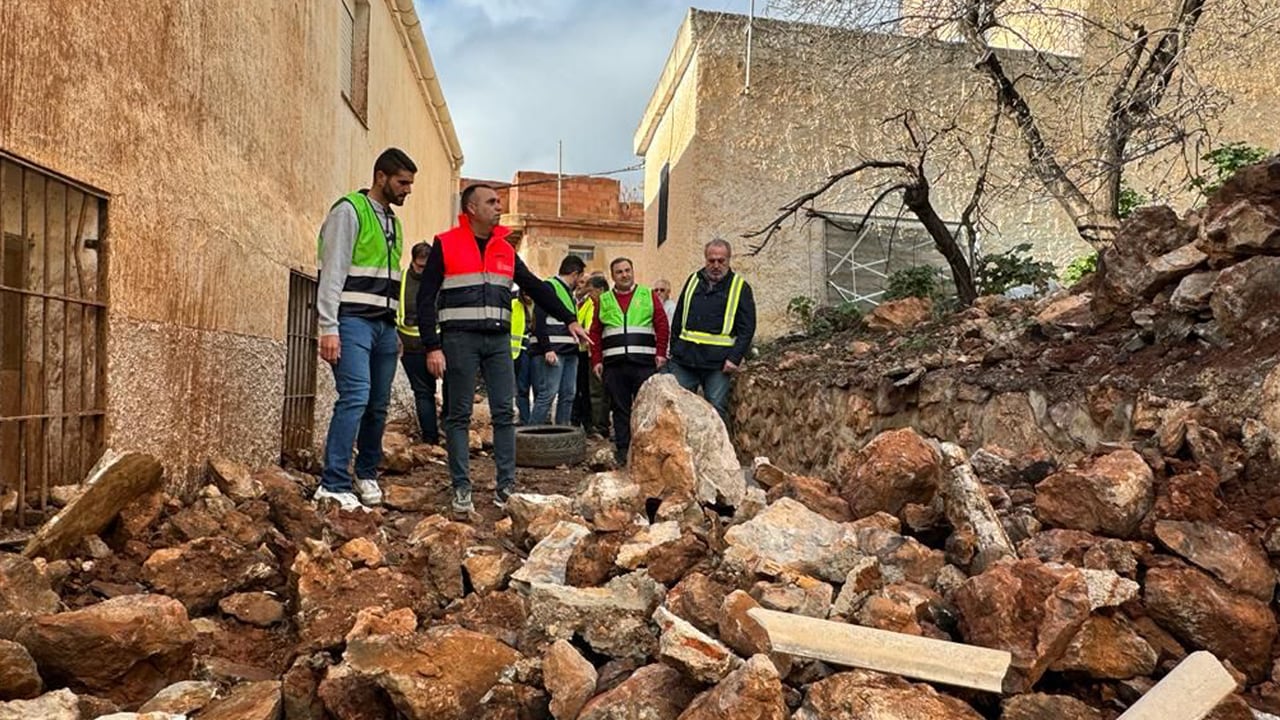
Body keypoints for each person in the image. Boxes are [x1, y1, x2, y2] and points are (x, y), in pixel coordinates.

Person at [416, 184, 590, 515]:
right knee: (458, 414)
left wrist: (569, 319)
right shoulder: (446, 244)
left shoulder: (505, 249)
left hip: (497, 342)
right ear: (471, 208)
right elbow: (425, 298)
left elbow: (535, 287)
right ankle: (461, 488)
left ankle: (506, 486)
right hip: (458, 339)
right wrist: (432, 346)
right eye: (492, 202)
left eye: (499, 202)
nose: (499, 207)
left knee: (504, 413)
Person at [315, 148, 416, 511]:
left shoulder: (393, 222)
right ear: (381, 177)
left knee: (378, 404)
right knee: (355, 396)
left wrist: (397, 328)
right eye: (402, 182)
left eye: (410, 184)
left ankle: (366, 472)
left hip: (384, 327)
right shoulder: (349, 212)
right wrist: (328, 326)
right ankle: (333, 484)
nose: (407, 190)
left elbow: (393, 280)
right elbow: (332, 271)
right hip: (352, 321)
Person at [669, 238, 756, 428]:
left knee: (716, 409)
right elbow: (678, 318)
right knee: (679, 408)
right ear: (705, 260)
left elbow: (747, 328)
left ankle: (719, 455)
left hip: (718, 364)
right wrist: (674, 348)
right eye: (711, 260)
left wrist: (734, 358)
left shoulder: (740, 287)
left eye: (721, 260)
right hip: (685, 360)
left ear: (729, 260)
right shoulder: (693, 280)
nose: (716, 265)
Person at [590, 258, 669, 463]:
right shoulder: (604, 300)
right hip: (614, 365)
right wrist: (596, 360)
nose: (624, 275)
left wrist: (660, 352)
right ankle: (624, 451)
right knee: (620, 410)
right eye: (619, 272)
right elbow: (595, 333)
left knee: (646, 409)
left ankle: (647, 452)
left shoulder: (647, 295)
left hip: (644, 363)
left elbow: (662, 325)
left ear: (633, 272)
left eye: (627, 270)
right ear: (613, 275)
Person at [529, 255, 587, 425]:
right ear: (575, 274)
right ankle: (531, 435)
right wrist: (547, 348)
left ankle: (562, 435)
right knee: (548, 394)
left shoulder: (569, 294)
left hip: (569, 351)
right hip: (554, 351)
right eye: (581, 277)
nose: (580, 282)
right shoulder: (549, 287)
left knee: (568, 394)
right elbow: (539, 319)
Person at [396, 241, 441, 446]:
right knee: (424, 392)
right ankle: (431, 439)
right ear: (412, 262)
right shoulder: (402, 280)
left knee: (450, 389)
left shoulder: (438, 280)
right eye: (420, 266)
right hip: (412, 346)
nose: (423, 271)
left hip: (438, 344)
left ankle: (443, 432)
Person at [511, 288, 535, 424]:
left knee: (539, 386)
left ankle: (537, 419)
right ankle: (525, 419)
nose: (528, 296)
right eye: (526, 293)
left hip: (536, 350)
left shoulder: (540, 305)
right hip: (519, 351)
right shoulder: (514, 304)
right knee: (522, 387)